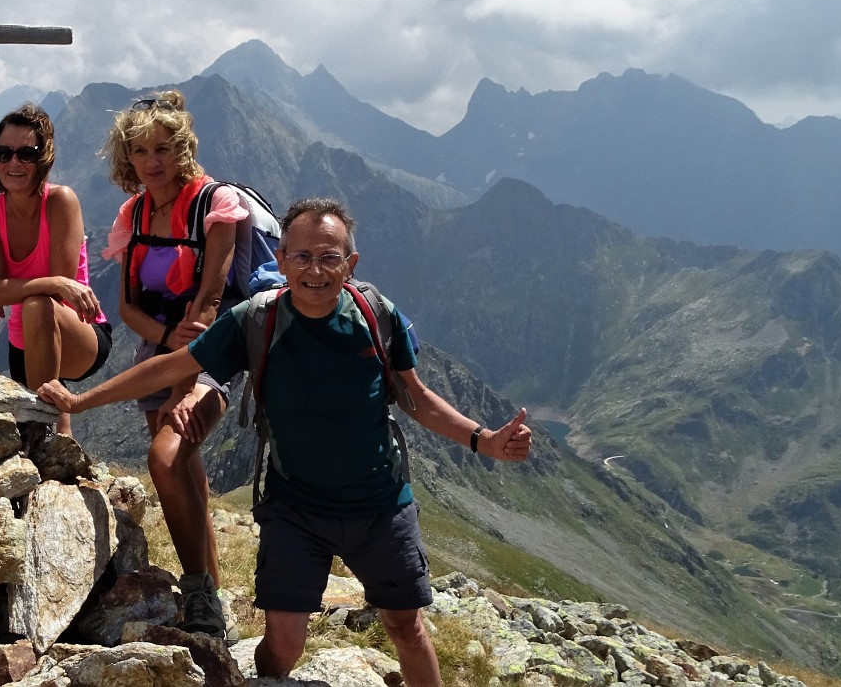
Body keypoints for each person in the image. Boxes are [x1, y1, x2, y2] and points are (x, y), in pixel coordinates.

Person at [40, 197, 534, 685]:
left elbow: (416, 398)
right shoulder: (256, 320)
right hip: (296, 509)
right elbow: (174, 365)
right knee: (284, 644)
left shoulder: (376, 316)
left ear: (350, 263)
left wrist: (484, 440)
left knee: (406, 625)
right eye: (301, 256)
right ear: (281, 260)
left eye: (328, 257)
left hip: (380, 506)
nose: (314, 270)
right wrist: (83, 402)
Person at [97, 90, 248, 637]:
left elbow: (209, 303)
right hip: (155, 348)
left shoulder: (217, 205)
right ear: (127, 157)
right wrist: (163, 340)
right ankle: (218, 601)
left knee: (164, 459)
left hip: (211, 351)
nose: (151, 161)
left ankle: (200, 594)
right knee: (184, 468)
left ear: (182, 148)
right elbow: (126, 307)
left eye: (162, 148)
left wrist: (185, 389)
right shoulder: (133, 214)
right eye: (139, 151)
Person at [0, 103, 111, 436]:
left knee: (38, 305)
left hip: (80, 332)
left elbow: (52, 293)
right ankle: (58, 463)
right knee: (42, 428)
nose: (14, 163)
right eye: (4, 154)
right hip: (22, 342)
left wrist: (5, 290)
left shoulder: (61, 201)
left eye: (26, 154)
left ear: (43, 157)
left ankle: (56, 455)